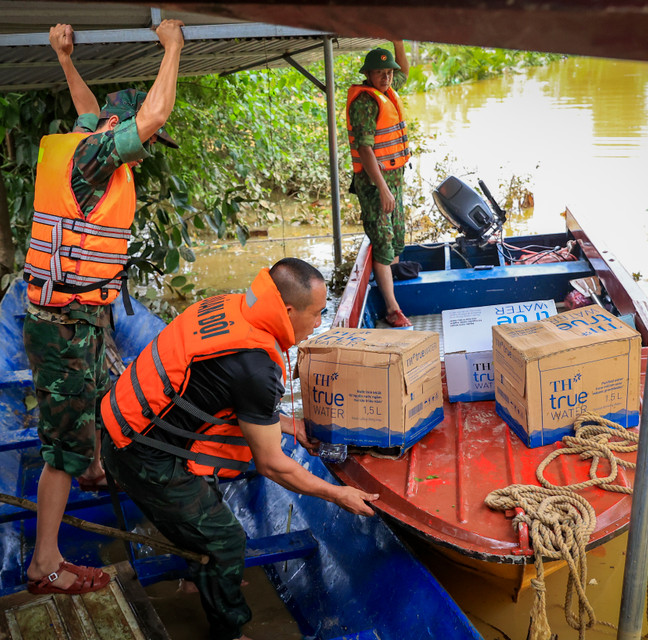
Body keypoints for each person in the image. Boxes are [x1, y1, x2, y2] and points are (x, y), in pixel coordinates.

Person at [99, 258, 380, 640]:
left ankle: (199, 581)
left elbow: (228, 393)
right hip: (141, 453)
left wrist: (288, 425)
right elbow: (272, 465)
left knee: (207, 505)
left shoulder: (231, 306)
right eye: (316, 314)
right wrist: (337, 493)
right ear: (288, 310)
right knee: (227, 540)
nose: (319, 323)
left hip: (126, 421)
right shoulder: (256, 366)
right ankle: (228, 631)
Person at [22, 19, 184, 595]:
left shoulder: (87, 138)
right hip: (63, 323)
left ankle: (91, 462)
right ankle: (46, 563)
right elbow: (155, 115)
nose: (144, 155)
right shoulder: (93, 160)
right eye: (140, 143)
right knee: (61, 448)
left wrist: (66, 59)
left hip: (76, 317)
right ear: (119, 130)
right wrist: (173, 47)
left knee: (89, 404)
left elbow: (86, 105)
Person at [346, 41, 413, 328]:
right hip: (376, 187)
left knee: (397, 236)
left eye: (388, 72)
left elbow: (405, 72)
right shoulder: (365, 103)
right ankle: (391, 309)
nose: (386, 77)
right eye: (380, 72)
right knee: (384, 242)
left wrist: (397, 41)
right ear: (368, 74)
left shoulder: (387, 89)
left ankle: (393, 278)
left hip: (394, 183)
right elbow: (365, 149)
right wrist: (384, 189)